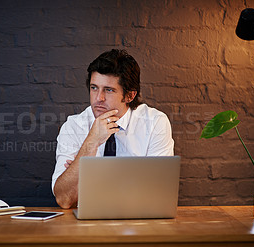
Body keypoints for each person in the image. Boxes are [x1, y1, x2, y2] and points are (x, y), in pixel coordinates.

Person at [52, 49, 174, 209]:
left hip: (139, 221)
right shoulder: (74, 126)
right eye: (94, 88)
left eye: (108, 90)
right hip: (86, 225)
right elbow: (64, 199)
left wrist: (86, 176)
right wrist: (91, 142)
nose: (98, 98)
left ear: (130, 96)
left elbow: (159, 192)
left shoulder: (154, 123)